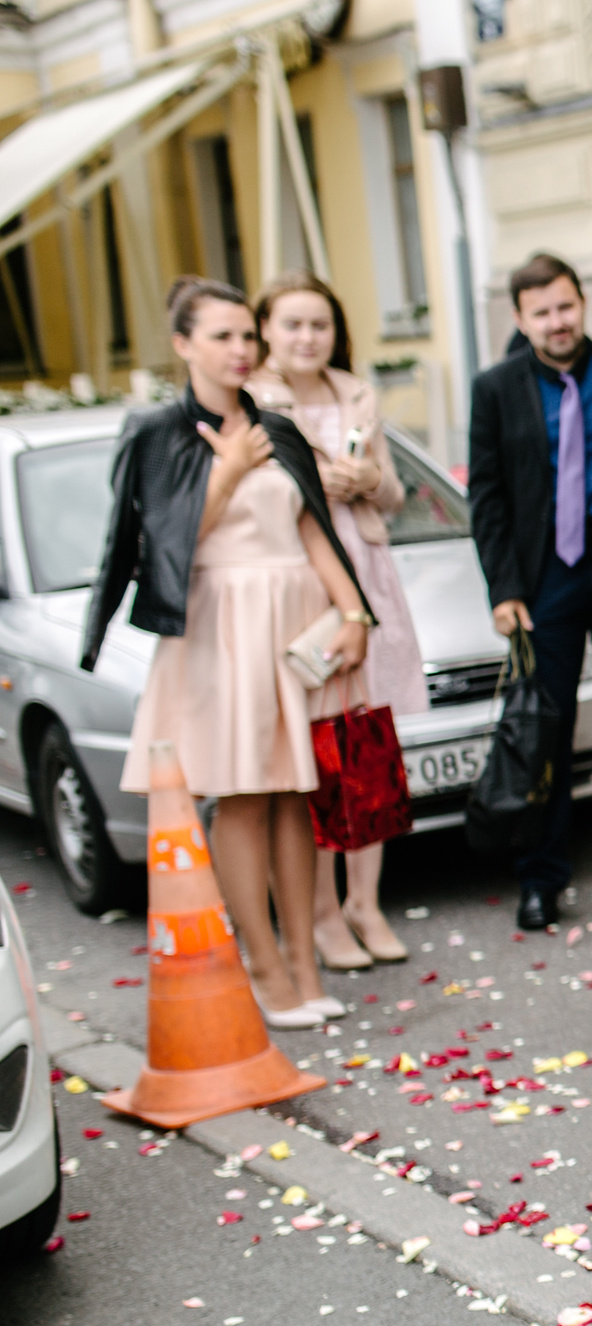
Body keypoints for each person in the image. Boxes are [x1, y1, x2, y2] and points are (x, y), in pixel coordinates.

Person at [80, 278, 376, 1027]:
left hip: (290, 624)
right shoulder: (157, 431)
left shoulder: (277, 427)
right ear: (183, 345)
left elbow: (313, 527)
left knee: (295, 795)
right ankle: (267, 973)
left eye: (248, 334)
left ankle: (305, 968)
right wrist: (231, 469)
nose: (241, 349)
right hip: (220, 628)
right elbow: (161, 545)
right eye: (223, 336)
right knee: (243, 796)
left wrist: (353, 612)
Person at [249, 270, 429, 969]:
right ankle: (322, 914)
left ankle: (365, 903)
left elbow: (393, 493)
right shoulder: (253, 399)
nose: (307, 337)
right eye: (292, 324)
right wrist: (313, 481)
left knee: (368, 742)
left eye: (319, 324)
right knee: (314, 751)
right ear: (266, 330)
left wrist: (368, 481)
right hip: (302, 579)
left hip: (367, 570)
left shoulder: (356, 392)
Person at [467, 251, 592, 928]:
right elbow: (487, 496)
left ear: (582, 302)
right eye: (542, 313)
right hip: (544, 579)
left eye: (565, 306)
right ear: (519, 317)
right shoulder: (495, 387)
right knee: (545, 727)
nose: (557, 322)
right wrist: (503, 588)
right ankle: (542, 877)